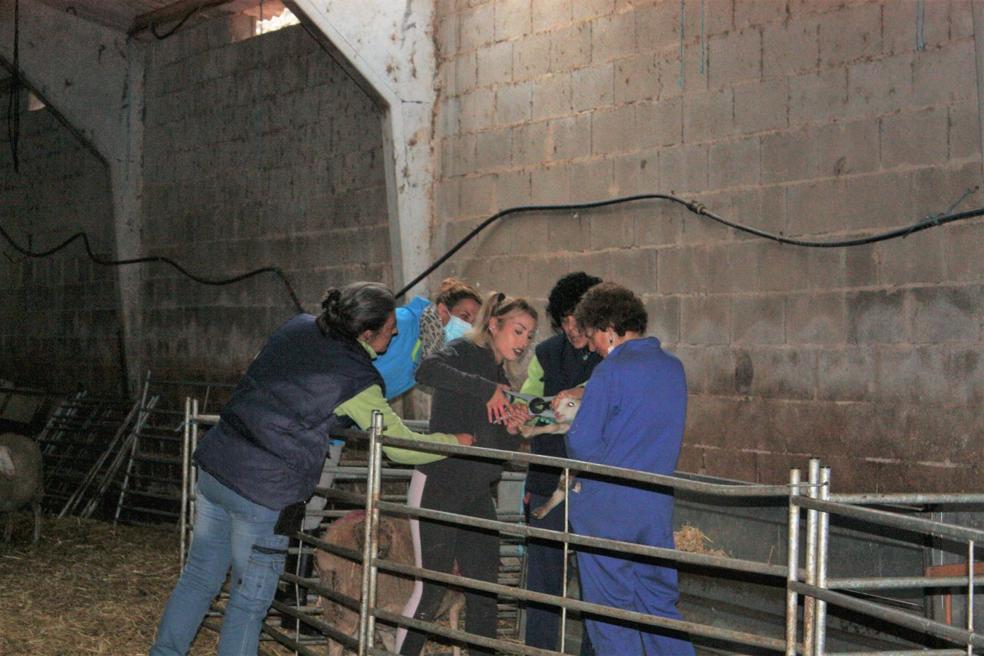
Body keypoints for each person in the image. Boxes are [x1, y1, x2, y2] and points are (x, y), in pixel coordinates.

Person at [149, 282, 473, 656]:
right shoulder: (357, 380)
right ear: (367, 333)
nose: (397, 331)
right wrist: (454, 443)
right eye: (390, 328)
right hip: (264, 490)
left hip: (217, 465)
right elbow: (400, 445)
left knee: (199, 578)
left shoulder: (297, 326)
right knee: (250, 599)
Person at [396, 292, 538, 656]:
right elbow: (425, 370)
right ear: (494, 325)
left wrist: (512, 430)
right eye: (517, 331)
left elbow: (496, 453)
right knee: (431, 588)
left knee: (485, 589)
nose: (522, 343)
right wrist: (486, 389)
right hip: (439, 484)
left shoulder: (500, 376)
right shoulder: (462, 352)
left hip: (476, 493)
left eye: (528, 336)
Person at [566, 282, 695, 655]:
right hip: (654, 506)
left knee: (611, 616)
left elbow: (582, 443)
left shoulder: (611, 372)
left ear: (609, 330)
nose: (590, 346)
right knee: (658, 607)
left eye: (591, 336)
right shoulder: (673, 368)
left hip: (607, 509)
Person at [518, 272, 602, 651]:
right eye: (563, 320)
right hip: (548, 477)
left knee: (596, 582)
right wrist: (540, 414)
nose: (570, 328)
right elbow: (526, 407)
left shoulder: (610, 357)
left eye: (577, 319)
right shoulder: (547, 354)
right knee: (543, 579)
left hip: (595, 485)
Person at [373, 277, 482, 400]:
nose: (468, 327)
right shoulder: (400, 322)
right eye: (465, 316)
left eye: (475, 324)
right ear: (442, 311)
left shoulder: (429, 353)